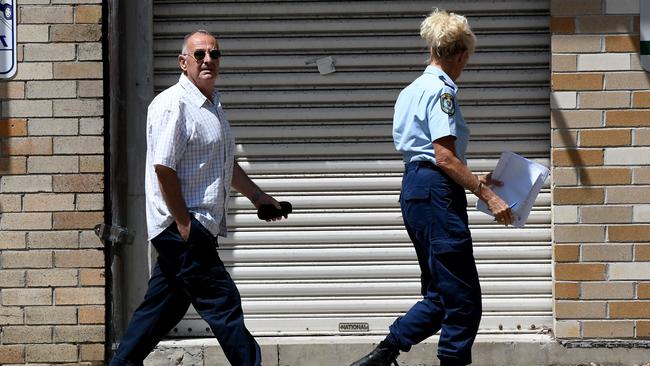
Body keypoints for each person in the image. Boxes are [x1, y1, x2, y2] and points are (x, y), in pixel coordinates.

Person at [348, 9, 514, 366]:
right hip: (437, 192)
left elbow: (426, 154)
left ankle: (382, 354)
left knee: (440, 295)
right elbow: (444, 157)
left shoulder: (411, 90)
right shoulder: (442, 92)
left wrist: (474, 178)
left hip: (416, 189)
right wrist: (488, 195)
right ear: (460, 54)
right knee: (464, 300)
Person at [110, 30, 285, 366]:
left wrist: (258, 197)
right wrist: (184, 223)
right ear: (183, 61)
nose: (208, 60)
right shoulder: (173, 104)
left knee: (162, 309)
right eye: (200, 54)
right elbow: (164, 168)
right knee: (224, 302)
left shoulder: (212, 105)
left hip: (189, 228)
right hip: (183, 229)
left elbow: (223, 163)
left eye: (214, 54)